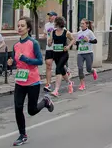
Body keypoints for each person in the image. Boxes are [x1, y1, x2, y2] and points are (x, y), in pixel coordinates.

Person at [9, 16, 54, 146]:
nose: (19, 28)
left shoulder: (33, 43)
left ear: (28, 28)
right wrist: (10, 63)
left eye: (22, 26)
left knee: (32, 110)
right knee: (18, 108)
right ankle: (22, 135)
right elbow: (16, 62)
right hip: (20, 81)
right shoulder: (16, 45)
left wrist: (26, 59)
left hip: (32, 81)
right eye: (18, 26)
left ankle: (45, 102)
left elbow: (39, 61)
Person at [48, 16, 75, 96]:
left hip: (64, 54)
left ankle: (56, 90)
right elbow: (49, 44)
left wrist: (68, 46)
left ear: (58, 23)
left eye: (55, 22)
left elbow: (73, 39)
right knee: (62, 70)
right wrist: (49, 42)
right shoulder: (53, 32)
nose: (54, 23)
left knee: (58, 69)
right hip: (56, 54)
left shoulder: (66, 32)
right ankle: (69, 83)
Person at [74, 19, 98, 91]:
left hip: (88, 53)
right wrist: (76, 43)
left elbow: (95, 41)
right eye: (81, 23)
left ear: (87, 25)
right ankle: (82, 84)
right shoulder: (79, 33)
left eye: (83, 24)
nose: (81, 25)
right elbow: (78, 42)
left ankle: (93, 71)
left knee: (88, 69)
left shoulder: (89, 32)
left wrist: (89, 40)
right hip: (80, 53)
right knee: (80, 68)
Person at [43, 11, 57, 92]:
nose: (49, 17)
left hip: (57, 48)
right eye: (49, 16)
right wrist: (44, 36)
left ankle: (67, 74)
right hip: (48, 48)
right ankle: (48, 84)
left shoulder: (58, 25)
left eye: (51, 16)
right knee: (48, 66)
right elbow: (45, 34)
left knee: (60, 67)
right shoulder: (46, 25)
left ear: (55, 17)